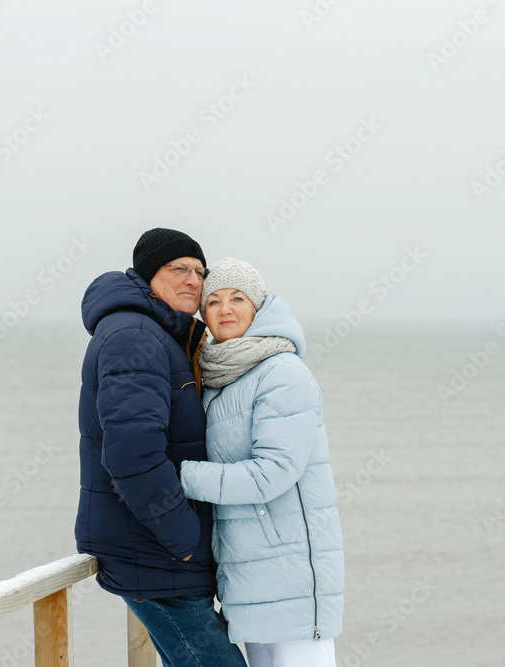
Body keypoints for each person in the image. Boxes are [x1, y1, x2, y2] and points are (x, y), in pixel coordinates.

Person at [74, 229, 247, 667]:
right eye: (179, 269)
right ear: (148, 275)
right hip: (157, 556)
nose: (193, 279)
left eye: (199, 271)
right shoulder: (135, 335)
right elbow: (133, 455)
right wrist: (184, 539)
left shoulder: (158, 332)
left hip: (158, 555)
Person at [179, 258, 345, 667]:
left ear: (259, 306)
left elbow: (272, 473)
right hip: (247, 575)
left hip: (291, 575)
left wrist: (180, 477)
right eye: (213, 301)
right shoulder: (220, 375)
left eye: (238, 298)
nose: (225, 309)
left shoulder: (281, 373)